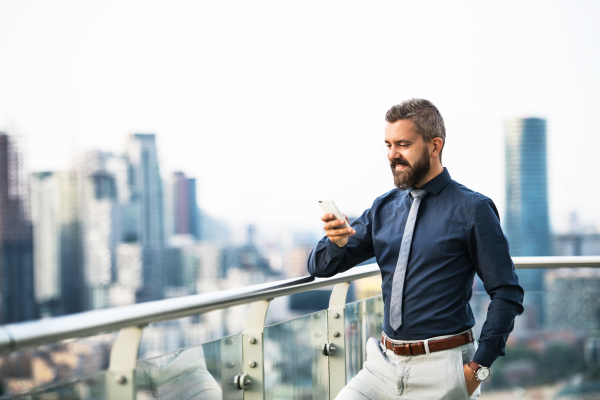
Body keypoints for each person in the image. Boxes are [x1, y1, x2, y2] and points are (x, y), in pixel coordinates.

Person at [308, 99, 524, 399]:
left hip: (444, 368)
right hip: (381, 365)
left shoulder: (473, 209)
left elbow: (507, 293)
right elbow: (320, 267)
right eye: (388, 144)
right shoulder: (384, 207)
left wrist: (478, 370)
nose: (392, 155)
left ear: (435, 146)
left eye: (403, 144)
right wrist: (337, 242)